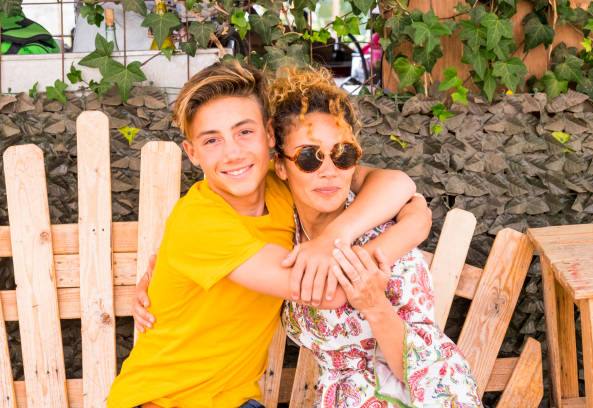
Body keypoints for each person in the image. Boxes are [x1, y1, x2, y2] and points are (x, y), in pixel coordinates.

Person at [107, 60, 431, 408]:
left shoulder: (285, 185)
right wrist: (410, 229)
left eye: (244, 132)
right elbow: (331, 292)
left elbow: (397, 183)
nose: (233, 152)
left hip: (237, 400)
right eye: (212, 140)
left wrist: (336, 237)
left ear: (270, 136)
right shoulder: (200, 223)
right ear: (192, 153)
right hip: (160, 400)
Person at [269, 68, 482, 407]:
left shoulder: (384, 234)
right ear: (280, 166)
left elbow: (429, 372)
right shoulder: (282, 226)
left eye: (343, 155)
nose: (329, 171)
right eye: (309, 157)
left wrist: (374, 304)